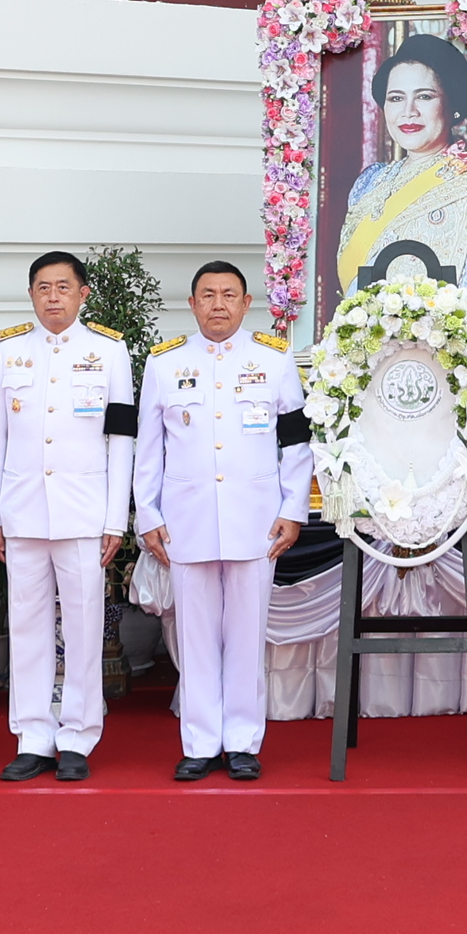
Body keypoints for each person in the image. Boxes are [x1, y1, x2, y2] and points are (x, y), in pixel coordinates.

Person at [134, 261, 309, 783]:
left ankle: (241, 741)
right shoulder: (165, 364)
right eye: (207, 295)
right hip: (185, 521)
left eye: (228, 295)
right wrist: (148, 514)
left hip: (256, 521)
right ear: (192, 304)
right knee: (195, 635)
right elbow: (149, 449)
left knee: (246, 633)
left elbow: (296, 444)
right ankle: (200, 741)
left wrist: (292, 509)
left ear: (245, 302)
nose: (217, 304)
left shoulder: (274, 360)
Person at [0, 250, 136, 781]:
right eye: (43, 288)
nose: (53, 297)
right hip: (22, 511)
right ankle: (32, 734)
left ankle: (77, 735)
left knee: (85, 625)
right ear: (31, 295)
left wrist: (115, 519)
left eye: (63, 287)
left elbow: (122, 441)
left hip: (84, 514)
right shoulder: (9, 353)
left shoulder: (111, 352)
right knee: (26, 626)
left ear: (83, 293)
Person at [332, 34, 467, 335]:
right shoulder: (369, 183)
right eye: (396, 98)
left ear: (452, 104)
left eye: (424, 96)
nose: (408, 111)